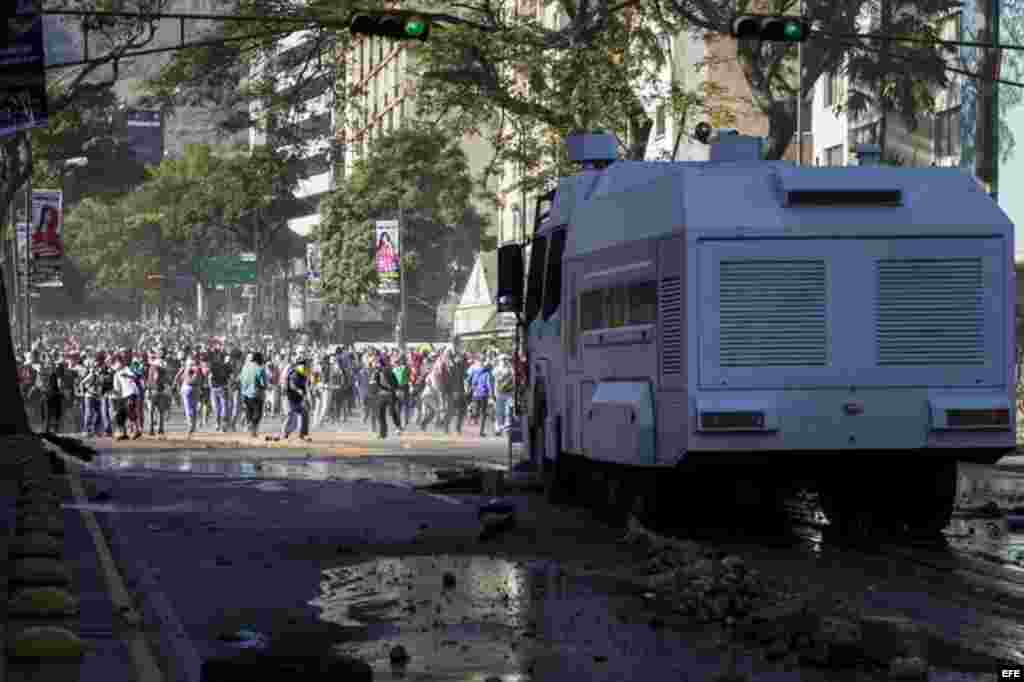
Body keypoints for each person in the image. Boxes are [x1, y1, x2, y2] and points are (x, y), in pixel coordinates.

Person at [373, 352, 402, 439]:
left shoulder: (387, 371)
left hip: (390, 394)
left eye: (377, 363)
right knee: (381, 414)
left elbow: (395, 383)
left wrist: (395, 390)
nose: (376, 365)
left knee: (391, 412)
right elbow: (377, 384)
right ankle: (383, 433)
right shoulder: (377, 373)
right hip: (382, 395)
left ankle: (397, 427)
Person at [281, 358, 311, 441]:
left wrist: (306, 399)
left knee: (304, 413)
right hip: (289, 398)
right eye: (305, 365)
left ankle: (301, 435)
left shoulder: (304, 374)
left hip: (297, 400)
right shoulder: (295, 373)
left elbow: (305, 388)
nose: (307, 367)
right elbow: (292, 385)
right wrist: (298, 390)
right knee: (291, 417)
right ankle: (284, 434)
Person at [240, 351, 268, 438]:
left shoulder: (245, 367)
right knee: (258, 413)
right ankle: (253, 430)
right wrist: (265, 387)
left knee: (249, 411)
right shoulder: (260, 368)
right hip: (256, 394)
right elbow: (263, 383)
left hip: (245, 393)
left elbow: (241, 379)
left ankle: (250, 430)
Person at [470, 360, 495, 437]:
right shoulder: (488, 374)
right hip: (483, 395)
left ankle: (473, 419)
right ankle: (481, 431)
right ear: (489, 368)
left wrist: (474, 390)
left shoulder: (477, 373)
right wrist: (492, 395)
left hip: (476, 395)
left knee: (477, 412)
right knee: (484, 414)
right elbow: (489, 385)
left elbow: (473, 383)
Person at [493, 355, 514, 435]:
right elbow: (495, 381)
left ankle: (507, 427)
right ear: (499, 360)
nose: (504, 361)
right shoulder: (496, 369)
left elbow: (513, 379)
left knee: (508, 411)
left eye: (505, 359)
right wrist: (494, 393)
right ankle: (498, 427)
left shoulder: (510, 369)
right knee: (499, 411)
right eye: (502, 359)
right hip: (499, 393)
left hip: (509, 393)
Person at [43, 362, 66, 433]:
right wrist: (60, 394)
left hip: (55, 398)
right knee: (49, 416)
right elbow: (50, 388)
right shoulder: (52, 375)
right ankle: (48, 431)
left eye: (60, 368)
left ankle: (55, 430)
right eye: (58, 368)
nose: (59, 370)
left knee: (56, 415)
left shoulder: (60, 377)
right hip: (50, 398)